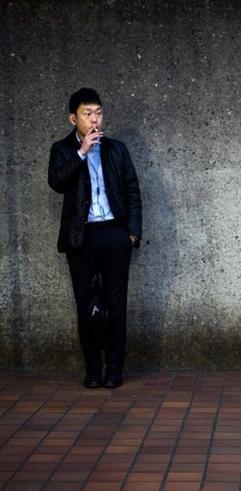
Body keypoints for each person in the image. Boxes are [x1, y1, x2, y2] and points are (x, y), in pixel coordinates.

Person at [48, 88, 142, 389]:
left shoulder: (117, 149)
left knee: (117, 305)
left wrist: (132, 234)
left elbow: (132, 191)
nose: (94, 120)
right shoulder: (62, 150)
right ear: (73, 118)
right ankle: (92, 370)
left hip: (114, 233)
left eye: (98, 113)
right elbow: (57, 183)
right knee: (85, 305)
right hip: (81, 238)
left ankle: (114, 369)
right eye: (88, 114)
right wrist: (82, 152)